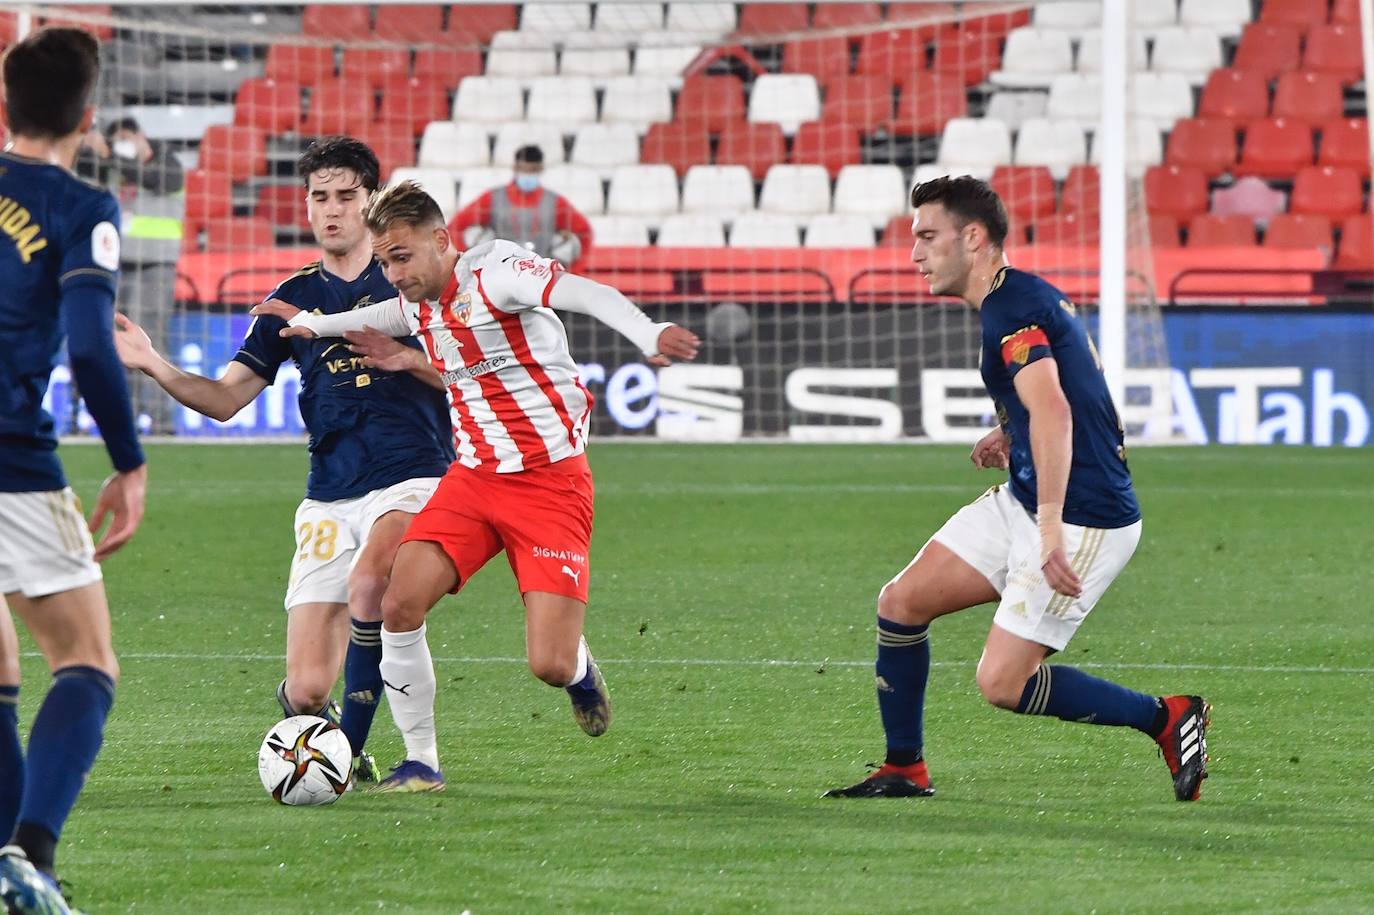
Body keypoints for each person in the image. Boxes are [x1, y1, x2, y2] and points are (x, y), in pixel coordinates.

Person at [252, 180, 700, 792]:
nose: (393, 273)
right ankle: (422, 762)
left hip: (549, 484)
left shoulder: (498, 271)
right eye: (383, 261)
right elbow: (375, 314)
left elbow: (585, 292)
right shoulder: (414, 304)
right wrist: (312, 322)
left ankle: (579, 670)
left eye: (402, 258)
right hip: (472, 480)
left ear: (442, 241)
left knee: (548, 662)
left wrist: (647, 334)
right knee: (396, 604)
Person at [825, 176, 1210, 802]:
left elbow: (1056, 411)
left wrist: (1051, 526)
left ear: (972, 238)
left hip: (1081, 517)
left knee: (1003, 684)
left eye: (927, 237)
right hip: (1028, 495)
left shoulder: (1012, 308)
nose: (915, 254)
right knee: (901, 603)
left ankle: (1166, 717)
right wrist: (1008, 429)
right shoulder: (1019, 298)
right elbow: (1077, 384)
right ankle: (904, 768)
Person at [113, 137, 454, 786]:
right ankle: (332, 738)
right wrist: (154, 363)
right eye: (319, 197)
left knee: (371, 585)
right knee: (303, 690)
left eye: (346, 196)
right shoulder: (290, 299)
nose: (332, 210)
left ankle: (363, 757)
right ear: (306, 206)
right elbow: (224, 400)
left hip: (411, 475)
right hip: (328, 493)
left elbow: (467, 370)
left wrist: (406, 357)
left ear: (371, 203)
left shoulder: (407, 279)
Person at [0, 28, 147, 915]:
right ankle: (32, 849)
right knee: (86, 662)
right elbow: (92, 346)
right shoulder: (81, 204)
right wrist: (128, 462)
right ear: (87, 119)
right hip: (11, 456)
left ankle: (9, 870)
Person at [78, 116, 186, 435]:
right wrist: (87, 144)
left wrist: (110, 153)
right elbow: (79, 167)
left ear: (142, 136)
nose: (123, 142)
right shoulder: (110, 167)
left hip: (156, 264)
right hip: (115, 265)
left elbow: (154, 179)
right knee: (111, 342)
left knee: (152, 339)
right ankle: (123, 417)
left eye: (127, 136)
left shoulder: (167, 162)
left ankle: (162, 420)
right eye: (117, 138)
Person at [447, 144, 592, 268]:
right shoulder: (493, 198)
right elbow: (455, 227)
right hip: (500, 273)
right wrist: (468, 263)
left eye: (533, 170)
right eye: (524, 169)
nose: (528, 174)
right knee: (480, 238)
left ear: (541, 169)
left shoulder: (554, 203)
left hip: (543, 274)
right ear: (515, 167)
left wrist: (574, 271)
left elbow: (585, 232)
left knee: (564, 243)